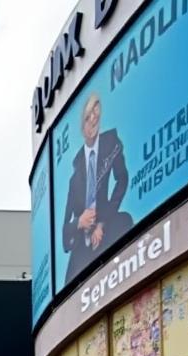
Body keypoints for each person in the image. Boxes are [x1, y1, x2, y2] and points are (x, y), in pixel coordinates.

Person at [61, 91, 133, 285]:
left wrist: (102, 222)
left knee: (126, 224)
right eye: (87, 119)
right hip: (82, 249)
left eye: (96, 117)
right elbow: (64, 235)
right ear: (81, 126)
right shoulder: (74, 176)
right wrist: (79, 222)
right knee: (70, 288)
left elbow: (122, 179)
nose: (92, 123)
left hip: (107, 228)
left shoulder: (112, 144)